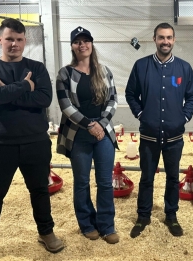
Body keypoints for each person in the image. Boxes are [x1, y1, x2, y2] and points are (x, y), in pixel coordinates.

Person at [0, 18, 63, 260]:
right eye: (9, 38)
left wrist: (6, 92)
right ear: (0, 39)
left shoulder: (38, 68)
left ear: (25, 41)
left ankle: (46, 233)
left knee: (40, 191)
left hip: (35, 142)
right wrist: (23, 86)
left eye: (19, 39)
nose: (14, 44)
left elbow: (43, 99)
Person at [125, 22, 193, 238]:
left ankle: (171, 216)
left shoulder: (184, 68)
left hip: (175, 136)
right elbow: (130, 94)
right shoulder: (141, 66)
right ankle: (143, 216)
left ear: (174, 40)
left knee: (173, 178)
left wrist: (184, 116)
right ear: (155, 39)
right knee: (147, 177)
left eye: (169, 38)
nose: (165, 41)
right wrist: (141, 115)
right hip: (149, 135)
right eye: (161, 37)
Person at [56, 26, 120, 244]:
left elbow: (113, 100)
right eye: (77, 41)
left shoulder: (104, 71)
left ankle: (107, 225)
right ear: (72, 46)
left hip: (103, 134)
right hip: (78, 135)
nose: (82, 45)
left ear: (91, 44)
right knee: (81, 182)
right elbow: (65, 106)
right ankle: (87, 224)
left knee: (104, 182)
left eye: (86, 41)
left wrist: (101, 124)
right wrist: (89, 125)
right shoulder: (65, 73)